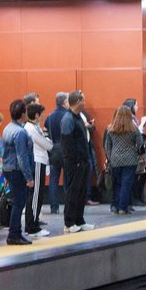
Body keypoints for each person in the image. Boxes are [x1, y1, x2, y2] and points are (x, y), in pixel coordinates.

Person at [60, 91, 94, 233]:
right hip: (75, 163)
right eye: (84, 100)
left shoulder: (78, 117)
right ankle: (69, 222)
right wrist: (76, 161)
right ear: (78, 101)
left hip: (83, 161)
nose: (85, 102)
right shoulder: (68, 119)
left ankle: (79, 220)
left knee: (81, 192)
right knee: (73, 192)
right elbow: (67, 144)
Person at [1, 101, 32, 245]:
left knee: (15, 202)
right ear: (23, 113)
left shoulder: (8, 128)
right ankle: (14, 234)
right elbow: (22, 156)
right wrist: (29, 177)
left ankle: (16, 233)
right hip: (17, 170)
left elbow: (5, 152)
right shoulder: (20, 132)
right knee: (19, 203)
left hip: (8, 169)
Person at [104, 105, 143, 215]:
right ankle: (123, 207)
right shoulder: (133, 128)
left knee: (117, 184)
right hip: (130, 159)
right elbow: (140, 144)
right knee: (126, 184)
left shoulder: (110, 129)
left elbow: (107, 146)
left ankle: (115, 206)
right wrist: (141, 155)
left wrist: (109, 157)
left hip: (115, 159)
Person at [22, 103, 53, 238]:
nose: (43, 116)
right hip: (37, 161)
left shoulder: (34, 127)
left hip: (40, 161)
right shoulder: (30, 128)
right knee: (35, 195)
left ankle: (33, 224)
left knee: (37, 195)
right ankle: (32, 227)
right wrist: (49, 142)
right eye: (42, 114)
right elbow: (46, 144)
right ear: (36, 115)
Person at [44, 92, 69, 216]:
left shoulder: (49, 117)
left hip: (54, 150)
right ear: (64, 102)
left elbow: (46, 134)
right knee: (67, 178)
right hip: (66, 149)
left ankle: (54, 207)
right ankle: (69, 204)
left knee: (53, 179)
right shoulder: (68, 116)